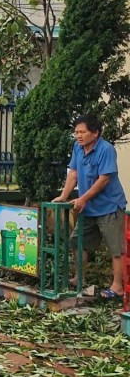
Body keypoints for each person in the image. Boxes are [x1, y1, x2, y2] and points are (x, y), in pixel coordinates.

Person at [53, 114, 127, 299]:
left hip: (109, 206)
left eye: (82, 132)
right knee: (77, 242)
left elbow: (104, 179)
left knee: (116, 249)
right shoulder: (78, 148)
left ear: (95, 133)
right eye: (76, 132)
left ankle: (117, 287)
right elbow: (73, 173)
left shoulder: (106, 149)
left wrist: (83, 198)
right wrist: (64, 195)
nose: (78, 136)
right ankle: (79, 278)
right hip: (88, 207)